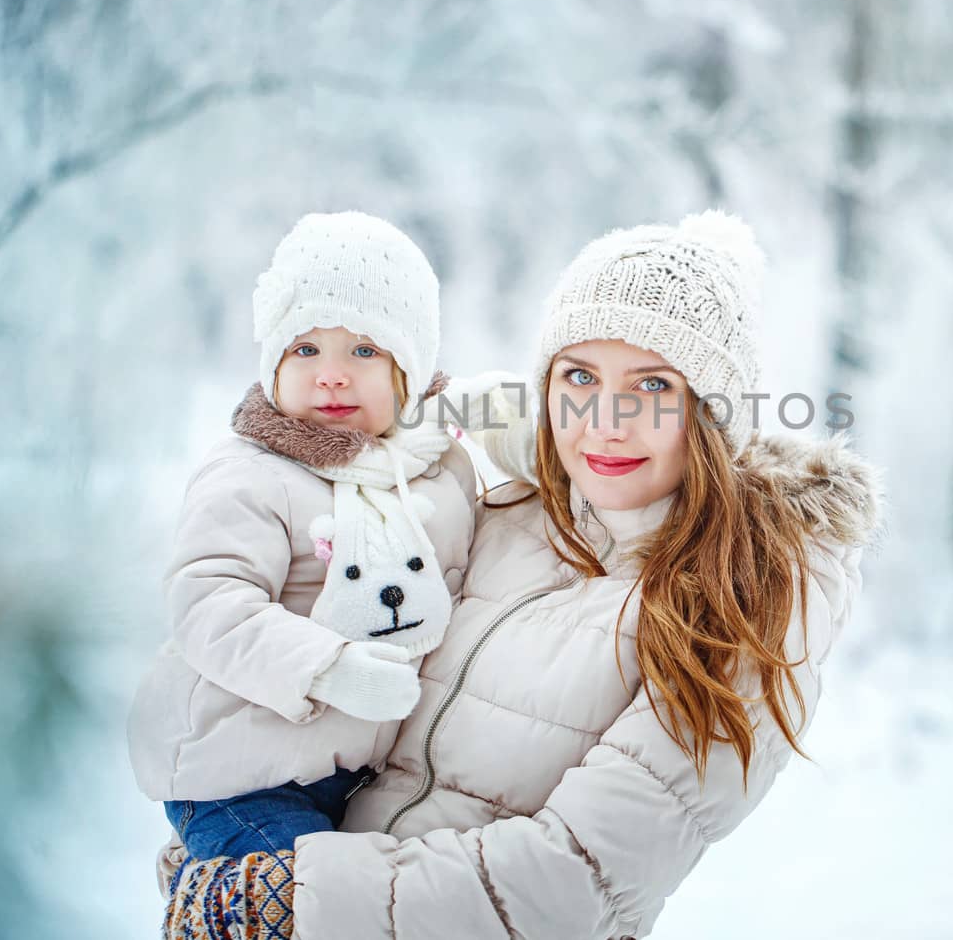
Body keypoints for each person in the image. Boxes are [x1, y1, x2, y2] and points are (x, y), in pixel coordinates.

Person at [161, 210, 881, 940]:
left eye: (654, 386)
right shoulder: (505, 515)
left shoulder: (748, 598)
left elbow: (570, 881)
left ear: (711, 412)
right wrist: (247, 823)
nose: (604, 419)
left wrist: (293, 899)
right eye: (578, 375)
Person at [127, 211, 479, 865]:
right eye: (306, 348)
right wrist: (327, 667)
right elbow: (210, 603)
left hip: (353, 776)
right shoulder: (251, 473)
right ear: (273, 362)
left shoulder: (432, 470)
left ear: (412, 368)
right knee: (307, 907)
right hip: (238, 775)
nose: (333, 373)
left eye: (365, 350)